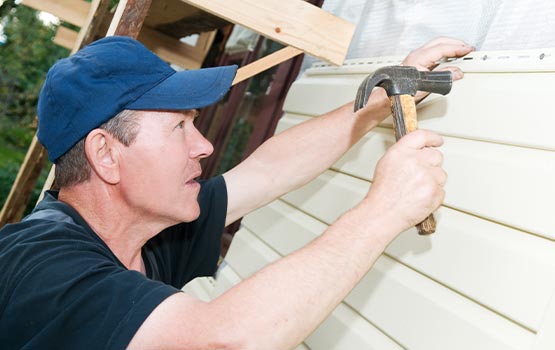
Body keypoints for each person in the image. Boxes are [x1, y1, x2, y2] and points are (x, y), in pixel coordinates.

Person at [0, 35, 473, 349]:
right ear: (106, 154)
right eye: (179, 126)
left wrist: (375, 101)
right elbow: (220, 342)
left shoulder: (147, 231)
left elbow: (267, 171)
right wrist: (383, 211)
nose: (204, 146)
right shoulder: (36, 265)